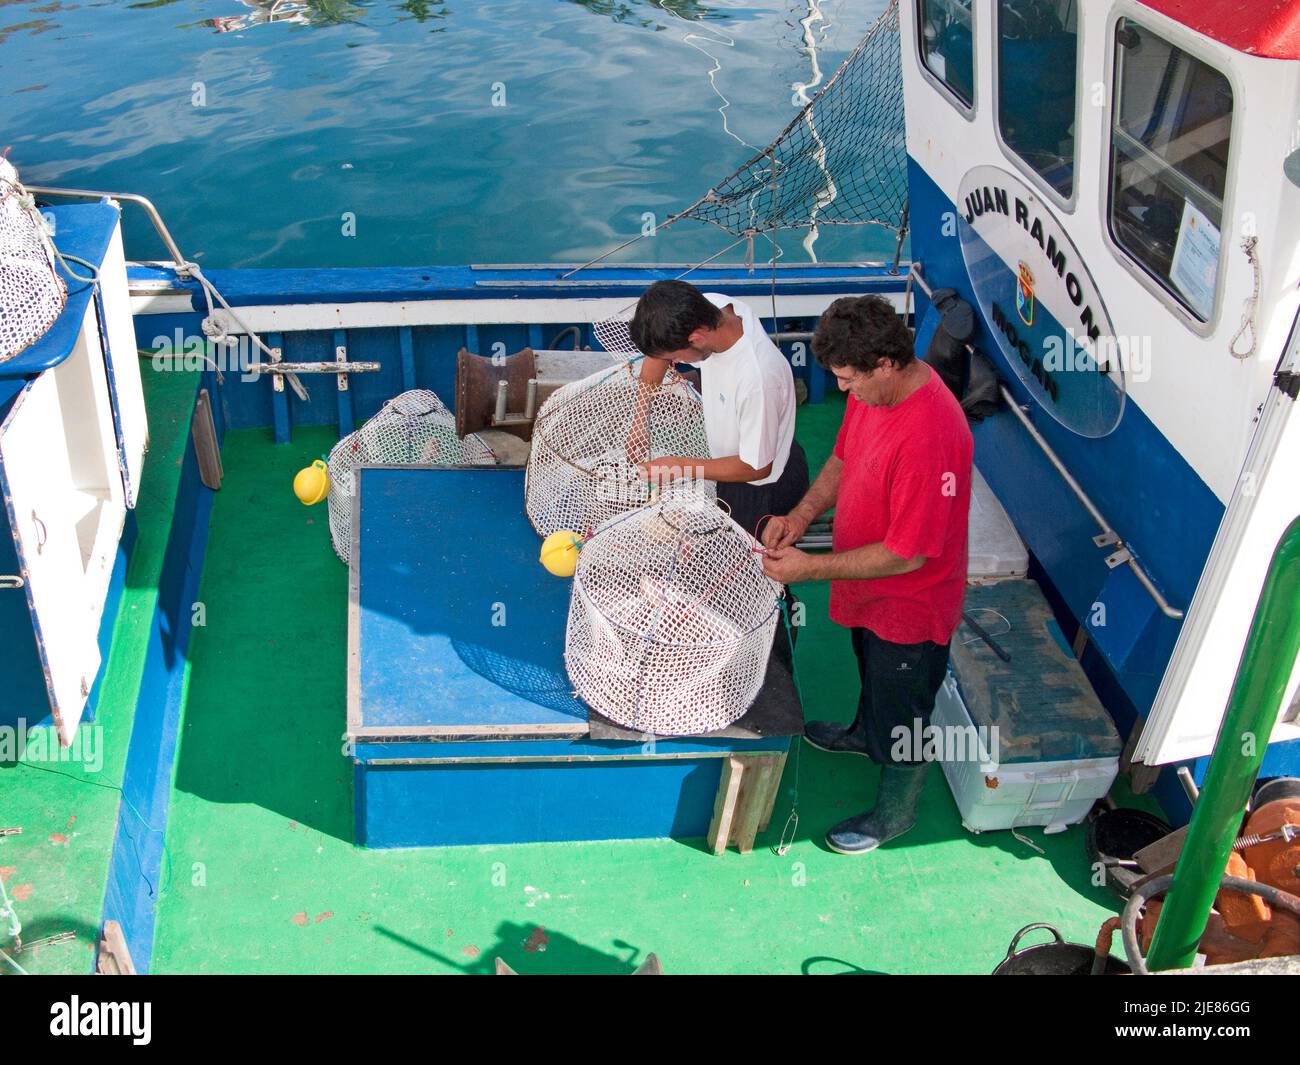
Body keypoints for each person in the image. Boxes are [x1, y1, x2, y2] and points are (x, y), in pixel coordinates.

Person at [759, 294, 972, 855]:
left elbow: (909, 555)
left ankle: (896, 813)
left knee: (905, 711)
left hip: (910, 605)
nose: (844, 391)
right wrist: (800, 516)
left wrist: (810, 568)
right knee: (870, 672)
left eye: (849, 379)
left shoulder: (932, 436)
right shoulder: (874, 392)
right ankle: (861, 734)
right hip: (866, 590)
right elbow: (843, 458)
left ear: (886, 363)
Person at [626, 280, 808, 541]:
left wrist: (680, 466)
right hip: (737, 456)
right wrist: (639, 422)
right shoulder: (709, 307)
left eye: (676, 357)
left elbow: (756, 467)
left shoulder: (757, 377)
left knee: (748, 569)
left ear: (696, 338)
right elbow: (658, 354)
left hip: (760, 486)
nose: (674, 364)